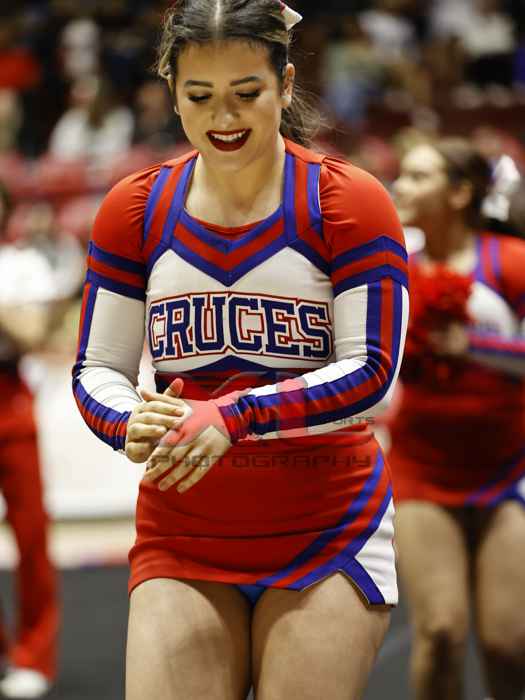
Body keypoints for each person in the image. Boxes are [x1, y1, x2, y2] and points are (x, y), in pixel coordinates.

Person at [72, 2, 409, 698]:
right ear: (171, 92)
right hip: (182, 527)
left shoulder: (347, 201)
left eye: (245, 92)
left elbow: (372, 370)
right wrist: (127, 420)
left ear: (285, 84)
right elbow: (98, 368)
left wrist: (237, 415)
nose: (222, 117)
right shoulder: (134, 209)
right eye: (199, 96)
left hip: (327, 525)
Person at [390, 138, 525, 700]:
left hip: (507, 472)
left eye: (418, 177)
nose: (400, 186)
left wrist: (473, 345)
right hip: (422, 471)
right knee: (441, 632)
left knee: (508, 643)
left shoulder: (511, 261)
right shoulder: (393, 268)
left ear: (460, 193)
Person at [0, 182, 59, 698]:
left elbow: (32, 332)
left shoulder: (22, 266)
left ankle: (34, 656)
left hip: (11, 402)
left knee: (31, 533)